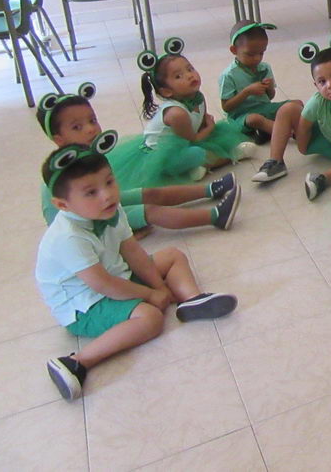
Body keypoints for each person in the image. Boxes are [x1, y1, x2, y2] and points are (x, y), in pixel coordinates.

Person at [36, 146, 237, 401]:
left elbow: (132, 251)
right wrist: (151, 295)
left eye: (109, 182)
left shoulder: (110, 209)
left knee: (172, 255)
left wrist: (159, 288)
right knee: (151, 319)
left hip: (115, 276)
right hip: (84, 304)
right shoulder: (68, 237)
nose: (107, 195)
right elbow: (103, 285)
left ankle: (191, 300)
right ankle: (76, 362)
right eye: (91, 192)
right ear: (63, 205)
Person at [37, 88, 240, 233]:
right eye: (77, 127)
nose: (91, 129)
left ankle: (211, 189)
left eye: (92, 121)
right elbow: (56, 225)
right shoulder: (55, 178)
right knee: (151, 211)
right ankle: (215, 216)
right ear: (59, 140)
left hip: (108, 203)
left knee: (150, 193)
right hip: (97, 224)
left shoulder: (91, 153)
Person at [108, 38, 252, 190]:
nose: (190, 75)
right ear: (166, 91)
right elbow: (194, 140)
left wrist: (208, 128)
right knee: (195, 153)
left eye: (190, 69)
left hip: (187, 139)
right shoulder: (176, 113)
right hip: (162, 154)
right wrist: (209, 128)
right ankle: (229, 157)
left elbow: (201, 123)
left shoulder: (198, 96)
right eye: (178, 76)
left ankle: (200, 167)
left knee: (219, 136)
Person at [259, 42, 331, 198]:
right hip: (320, 137)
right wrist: (303, 146)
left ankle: (323, 179)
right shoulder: (318, 101)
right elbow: (304, 125)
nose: (330, 85)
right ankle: (275, 161)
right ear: (316, 85)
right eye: (322, 82)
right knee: (288, 108)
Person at [220, 20, 304, 146]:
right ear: (234, 50)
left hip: (264, 108)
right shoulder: (229, 75)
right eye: (250, 54)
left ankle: (266, 131)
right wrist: (247, 92)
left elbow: (270, 97)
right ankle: (290, 133)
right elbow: (226, 107)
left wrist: (269, 88)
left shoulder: (264, 68)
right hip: (241, 117)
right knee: (255, 119)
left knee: (296, 104)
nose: (257, 58)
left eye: (261, 53)